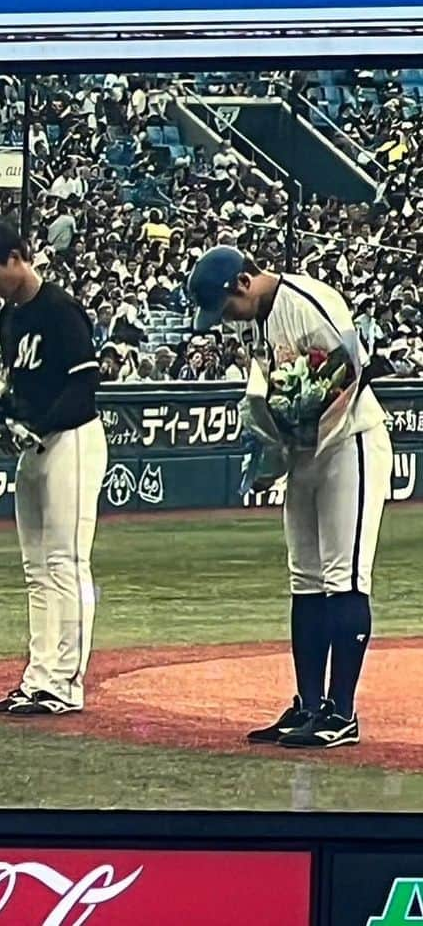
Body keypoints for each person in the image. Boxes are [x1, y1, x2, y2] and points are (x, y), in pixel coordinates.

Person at [188, 245, 393, 749]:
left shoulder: (307, 300)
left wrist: (301, 423)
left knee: (344, 575)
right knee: (306, 577)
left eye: (224, 306)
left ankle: (341, 711)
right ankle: (308, 704)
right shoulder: (259, 319)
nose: (226, 319)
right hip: (306, 454)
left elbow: (351, 374)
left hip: (352, 444)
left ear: (242, 282)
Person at [0, 222, 108, 717]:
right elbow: (18, 388)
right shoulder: (10, 318)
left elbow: (84, 387)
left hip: (71, 441)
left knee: (66, 563)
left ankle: (66, 683)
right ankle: (39, 677)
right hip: (34, 447)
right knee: (37, 569)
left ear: (16, 258)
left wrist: (40, 425)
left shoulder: (59, 309)